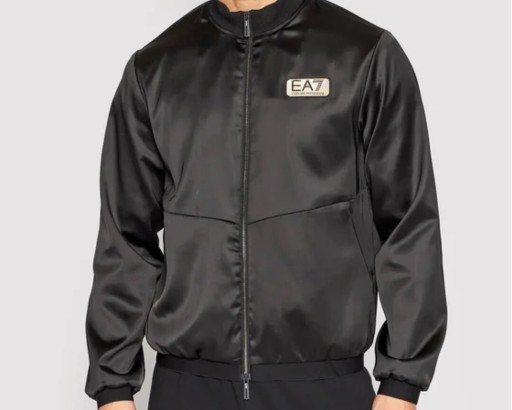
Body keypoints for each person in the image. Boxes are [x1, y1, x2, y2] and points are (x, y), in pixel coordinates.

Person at [84, 0, 448, 409]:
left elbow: (408, 222)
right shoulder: (156, 68)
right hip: (187, 388)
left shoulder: (361, 54)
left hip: (323, 386)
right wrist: (113, 390)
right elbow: (124, 237)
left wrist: (401, 386)